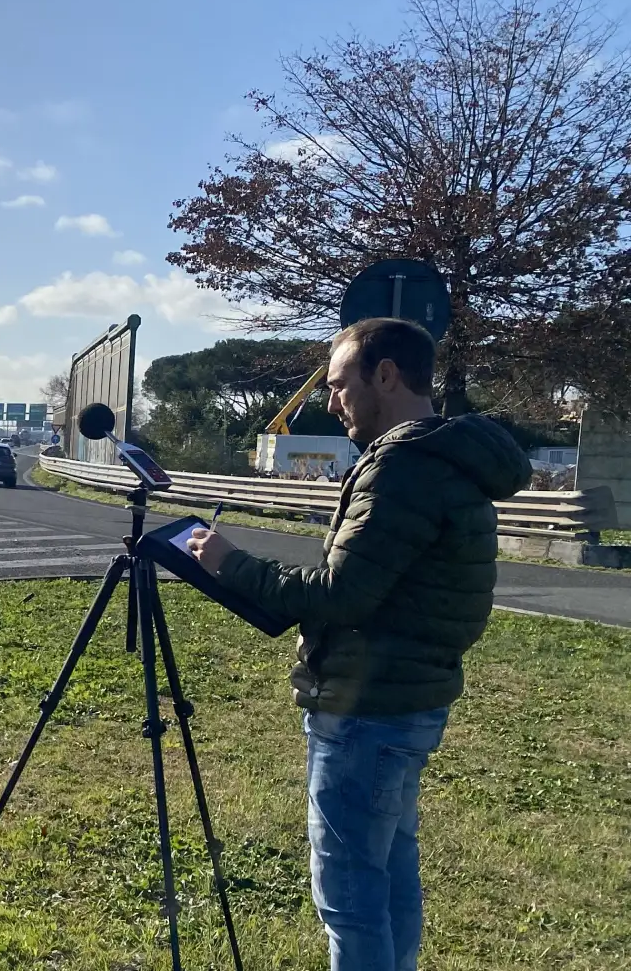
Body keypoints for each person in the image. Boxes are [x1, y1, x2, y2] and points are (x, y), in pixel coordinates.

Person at [185, 316, 530, 971]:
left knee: (349, 896)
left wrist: (231, 562)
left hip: (365, 711)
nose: (332, 401)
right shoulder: (449, 457)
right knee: (391, 875)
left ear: (387, 375)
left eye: (341, 385)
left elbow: (341, 594)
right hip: (412, 701)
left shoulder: (401, 468)